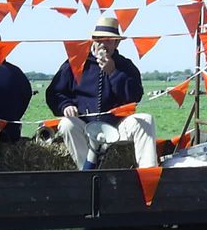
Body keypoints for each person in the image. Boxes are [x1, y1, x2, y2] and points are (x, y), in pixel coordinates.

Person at [45, 17, 158, 168]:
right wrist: (65, 106)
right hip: (84, 127)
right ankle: (87, 173)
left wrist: (113, 73)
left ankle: (148, 175)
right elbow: (54, 93)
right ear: (93, 41)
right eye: (99, 39)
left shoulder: (125, 66)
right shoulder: (76, 63)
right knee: (66, 124)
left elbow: (134, 98)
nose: (103, 44)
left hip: (117, 127)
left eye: (109, 40)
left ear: (117, 43)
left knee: (146, 120)